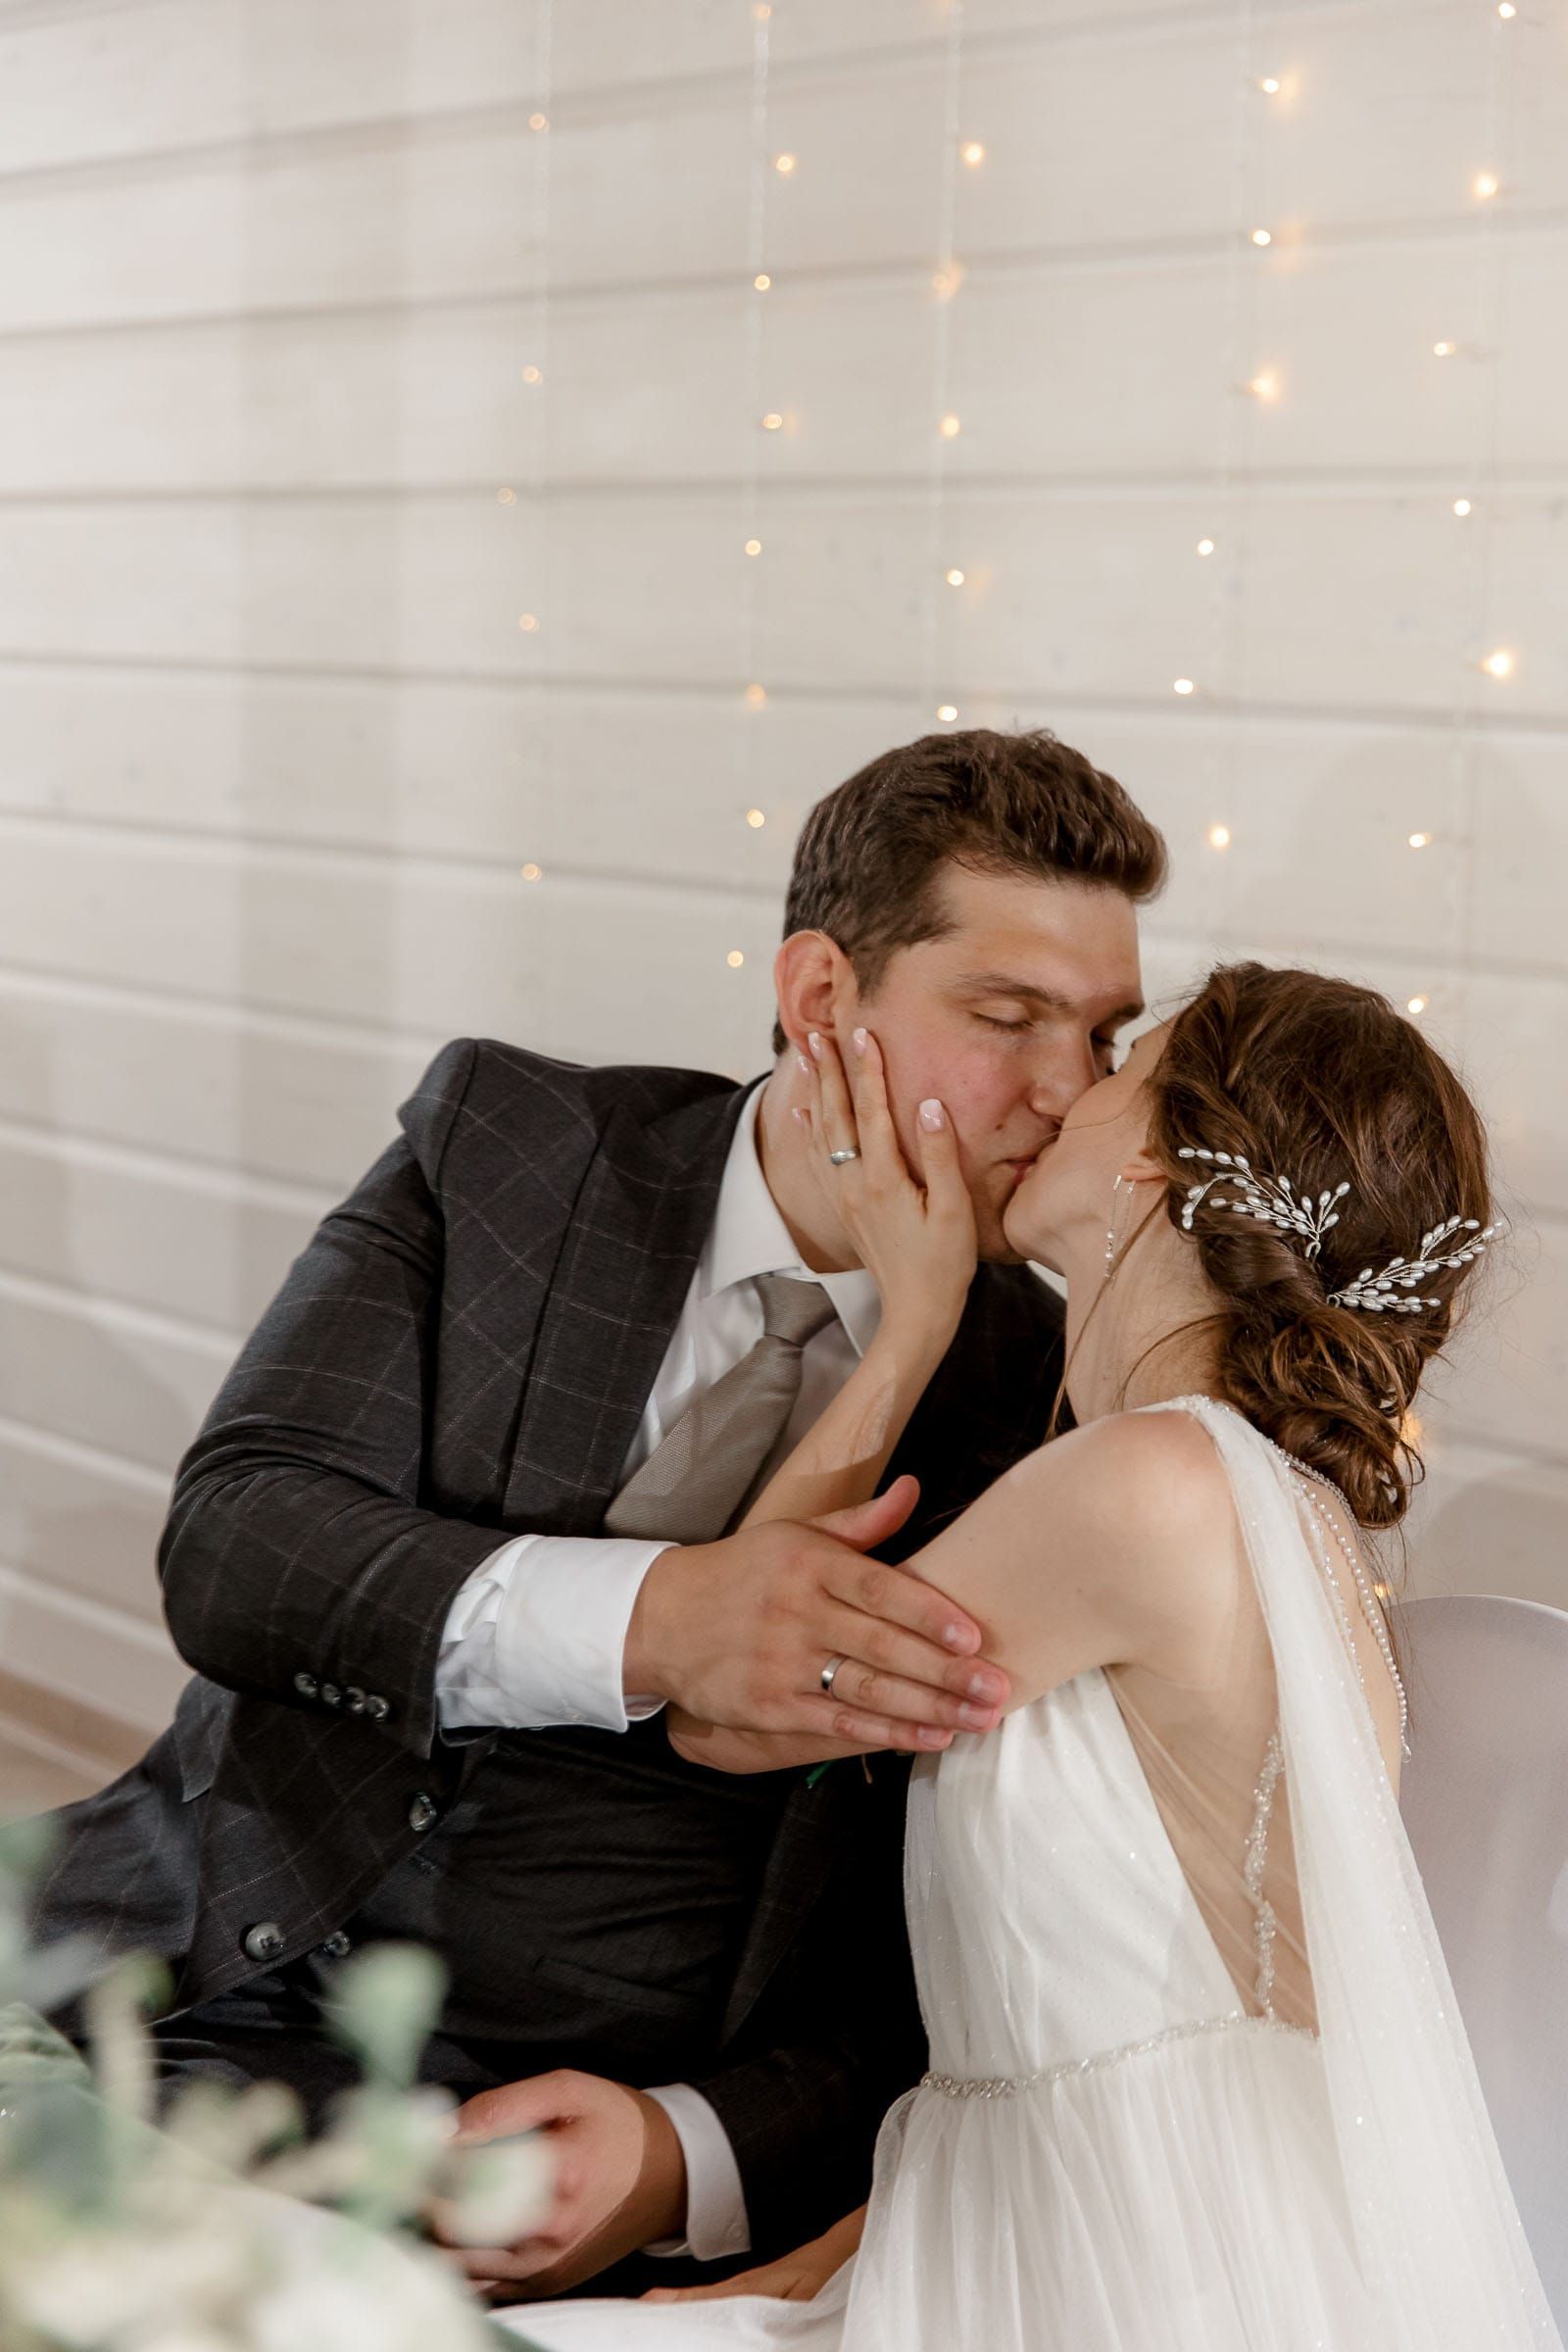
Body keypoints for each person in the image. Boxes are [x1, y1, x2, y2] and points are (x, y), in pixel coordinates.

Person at [25, 727, 1160, 2299]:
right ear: (823, 996)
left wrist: (684, 2149)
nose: (1063, 1090)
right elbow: (239, 1542)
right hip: (156, 1949)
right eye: (1008, 1017)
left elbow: (979, 1949)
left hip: (515, 2144)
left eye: (1103, 1035)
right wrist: (659, 1619)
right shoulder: (515, 1150)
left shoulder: (1054, 1404)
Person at [506, 960, 1562, 2349]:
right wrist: (798, 2280)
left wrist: (912, 1321)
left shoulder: (1145, 1485)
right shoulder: (1261, 1511)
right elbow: (1082, 2061)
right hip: (1123, 2243)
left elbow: (726, 1701)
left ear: (1159, 1167)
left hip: (1128, 2293)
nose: (1070, 1090)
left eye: (1123, 1062)